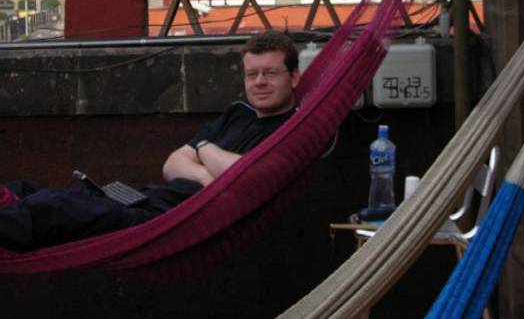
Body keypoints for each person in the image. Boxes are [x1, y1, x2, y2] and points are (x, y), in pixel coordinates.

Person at [0, 30, 300, 252]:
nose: (259, 82)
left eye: (271, 73)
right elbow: (171, 165)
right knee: (29, 191)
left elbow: (247, 176)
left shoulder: (292, 129)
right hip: (149, 199)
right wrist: (212, 177)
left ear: (295, 77)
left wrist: (204, 148)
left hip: (167, 222)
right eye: (252, 74)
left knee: (53, 207)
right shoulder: (238, 113)